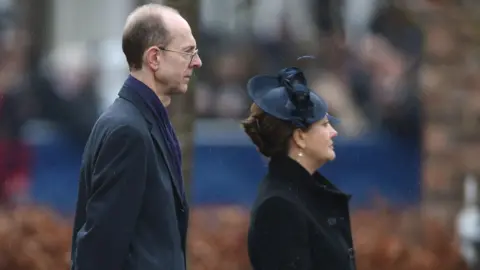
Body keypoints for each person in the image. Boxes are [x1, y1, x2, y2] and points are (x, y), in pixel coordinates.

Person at [70, 4, 202, 270]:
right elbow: (101, 246)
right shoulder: (127, 131)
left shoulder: (141, 121)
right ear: (154, 58)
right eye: (188, 52)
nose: (197, 62)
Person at [242, 65, 356, 269]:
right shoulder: (279, 207)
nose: (333, 133)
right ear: (300, 137)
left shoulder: (302, 196)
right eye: (324, 125)